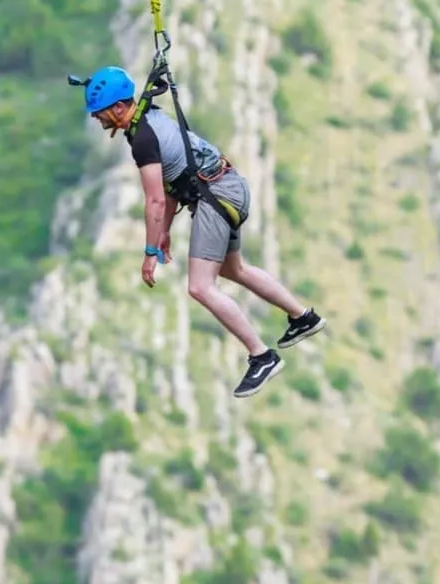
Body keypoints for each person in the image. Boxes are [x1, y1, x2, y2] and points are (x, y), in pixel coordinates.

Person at [80, 64, 327, 398]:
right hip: (229, 187)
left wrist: (150, 253)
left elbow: (153, 199)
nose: (98, 120)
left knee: (199, 287)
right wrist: (164, 231)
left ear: (120, 107)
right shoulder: (149, 118)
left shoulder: (142, 139)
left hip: (216, 197)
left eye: (100, 113)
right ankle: (303, 317)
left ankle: (262, 356)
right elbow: (170, 187)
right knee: (231, 268)